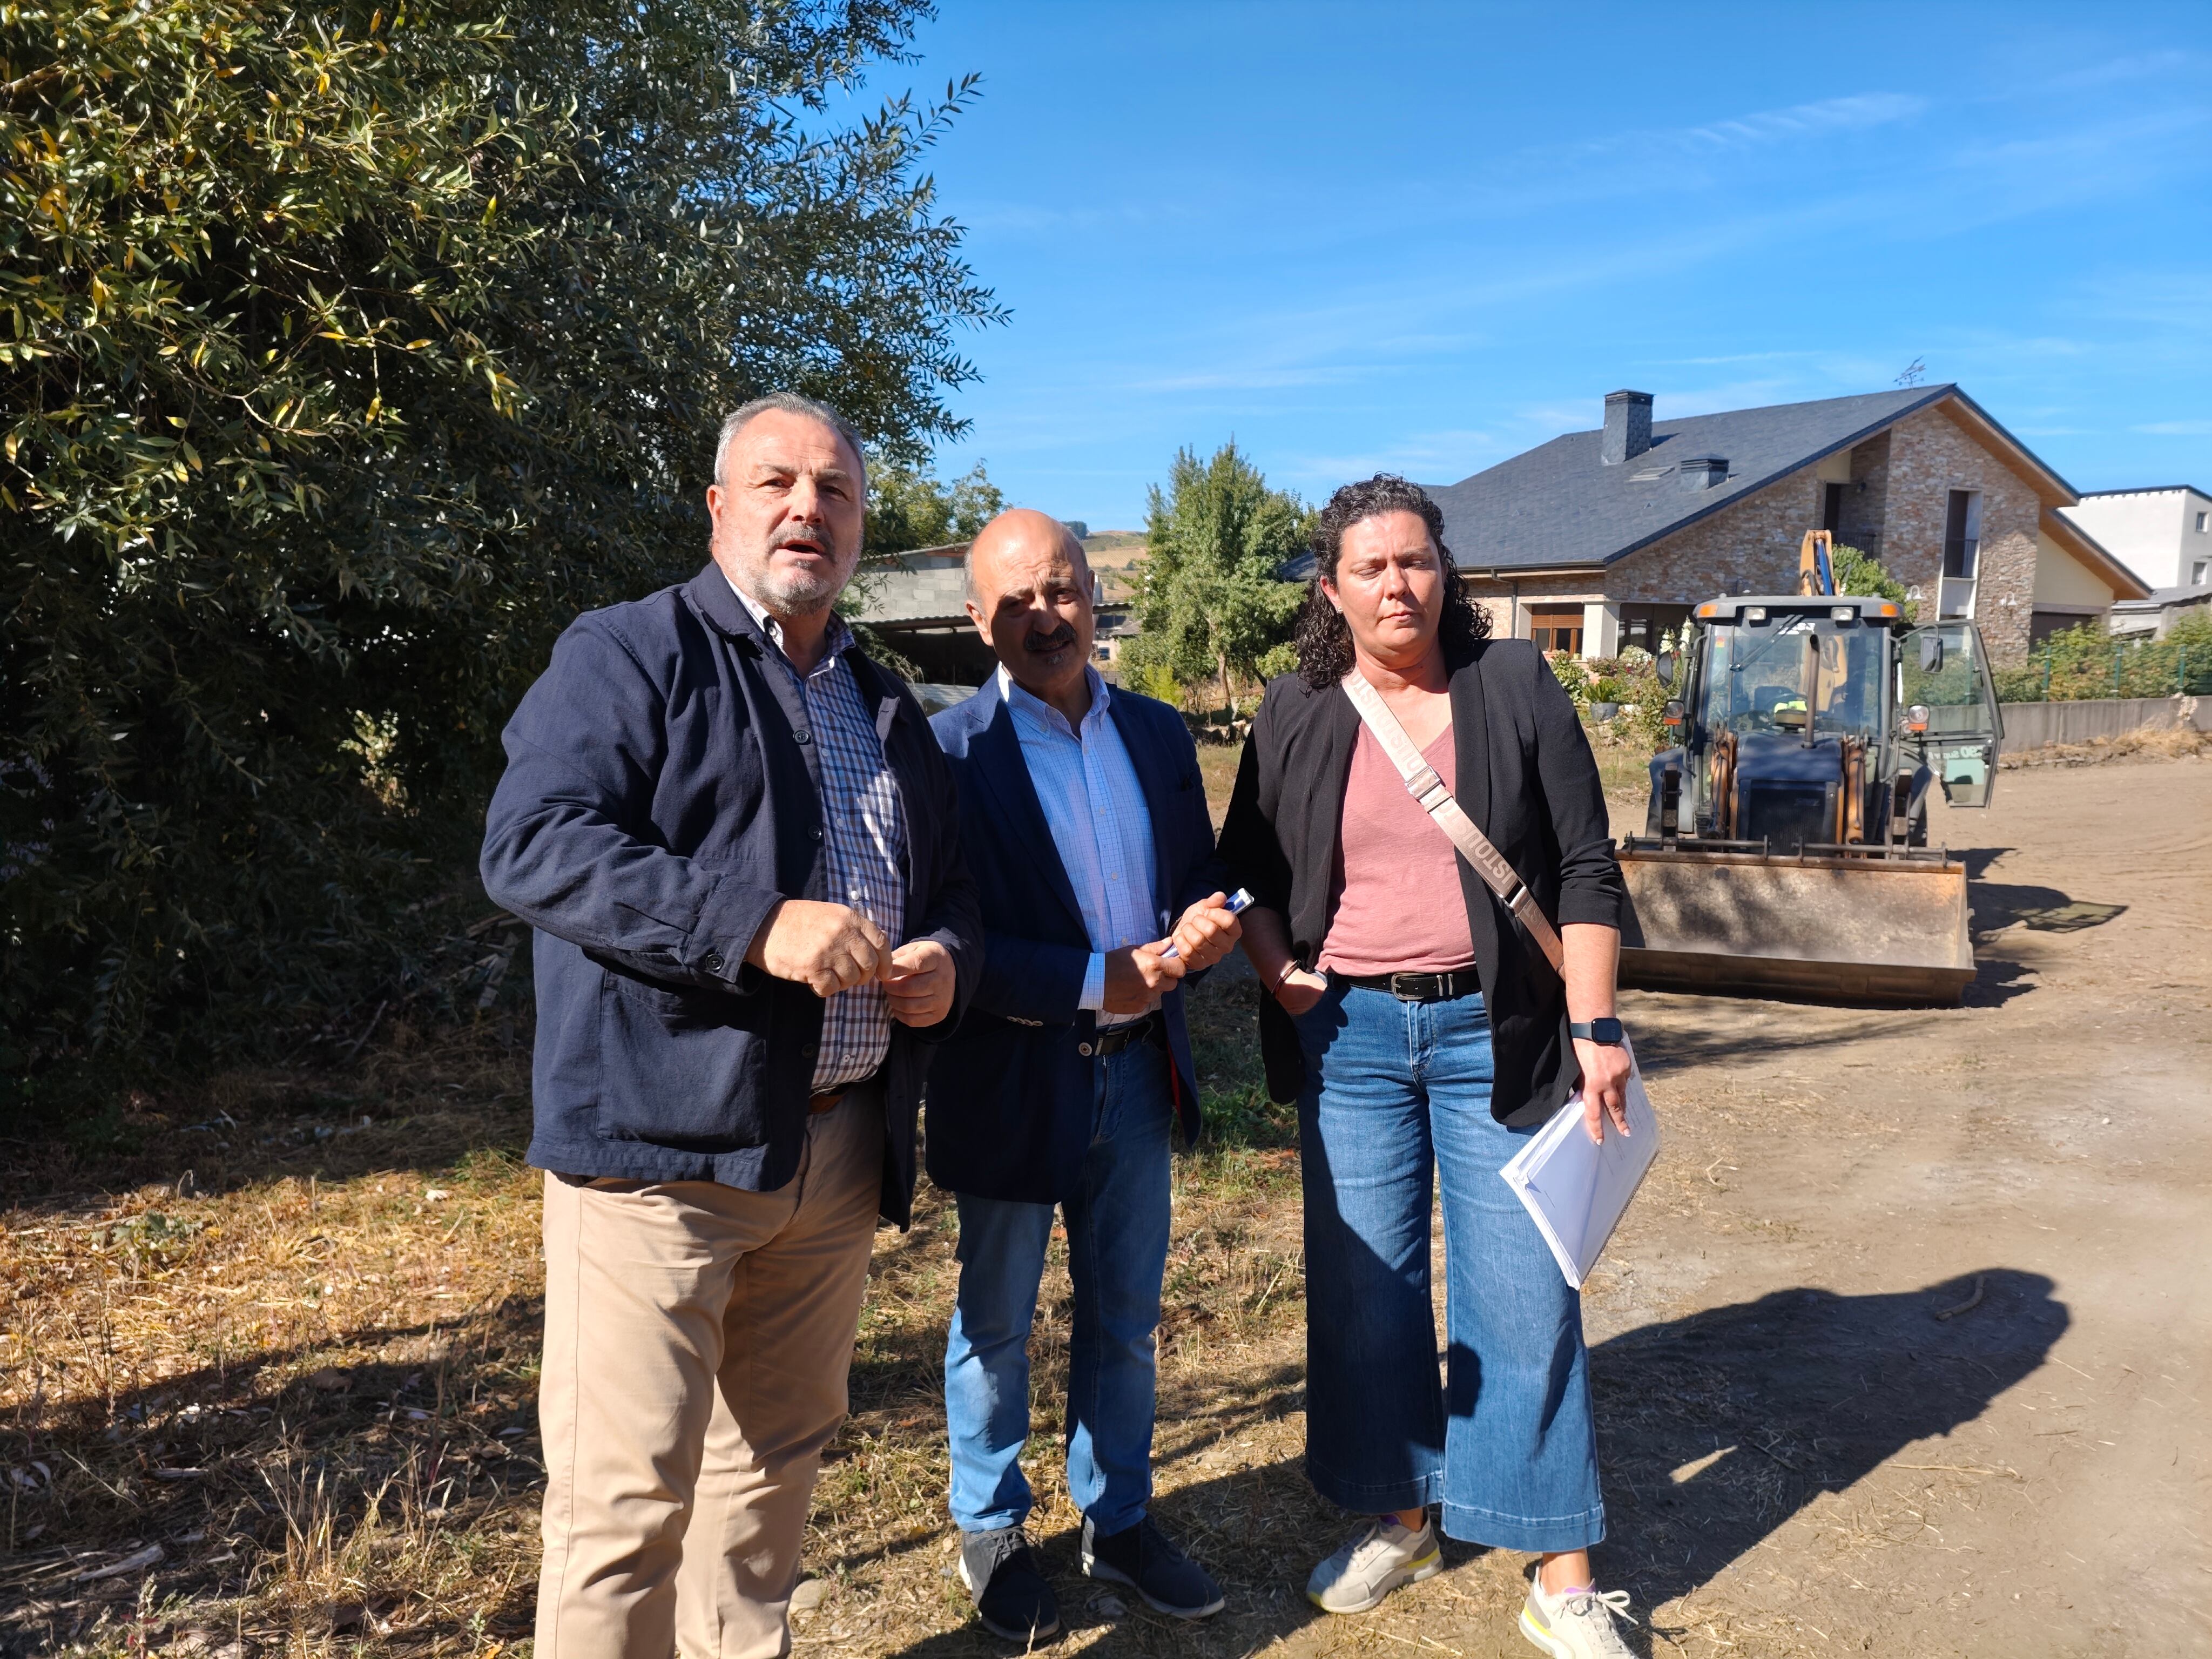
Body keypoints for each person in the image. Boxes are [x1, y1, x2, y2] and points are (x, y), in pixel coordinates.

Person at [479, 393, 981, 1659]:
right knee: (622, 1507)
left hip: (836, 1151)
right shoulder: (629, 651)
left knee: (768, 1478)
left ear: (863, 528)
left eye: (835, 491)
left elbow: (953, 892)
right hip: (661, 1151)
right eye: (775, 483)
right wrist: (758, 926)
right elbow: (533, 847)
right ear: (718, 507)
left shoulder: (883, 702)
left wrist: (946, 963)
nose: (806, 508)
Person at [1217, 476, 1637, 1659]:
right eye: (1370, 567)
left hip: (1490, 1033)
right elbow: (1242, 866)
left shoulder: (1510, 684)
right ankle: (1398, 1512)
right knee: (1369, 1295)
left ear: (1442, 571)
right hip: (1347, 1040)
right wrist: (1272, 968)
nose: (1397, 584)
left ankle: (1558, 1573)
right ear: (1332, 590)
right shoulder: (1297, 708)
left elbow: (1587, 866)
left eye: (1415, 560)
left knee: (1524, 1289)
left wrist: (1595, 1026)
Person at [926, 510, 1243, 1641]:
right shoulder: (949, 753)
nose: (1041, 615)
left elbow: (1201, 876)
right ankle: (992, 1529)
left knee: (1125, 1321)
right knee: (995, 1323)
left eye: (1057, 590)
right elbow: (945, 937)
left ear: (1092, 595)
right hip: (1009, 1075)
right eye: (1012, 601)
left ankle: (1119, 1523)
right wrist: (1085, 980)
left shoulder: (1156, 736)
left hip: (1136, 1080)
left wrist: (1206, 924)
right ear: (976, 620)